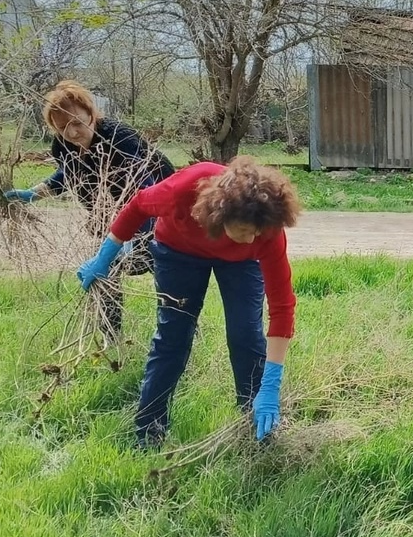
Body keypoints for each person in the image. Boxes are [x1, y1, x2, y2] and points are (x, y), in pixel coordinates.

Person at [75, 156, 302, 447]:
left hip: (240, 264)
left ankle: (255, 428)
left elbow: (282, 306)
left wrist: (271, 384)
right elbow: (138, 205)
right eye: (245, 231)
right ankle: (149, 432)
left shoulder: (264, 230)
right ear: (221, 215)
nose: (252, 238)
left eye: (257, 232)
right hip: (178, 251)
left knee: (245, 334)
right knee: (173, 337)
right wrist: (103, 258)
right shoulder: (183, 191)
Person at [5, 80, 175, 340]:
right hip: (113, 218)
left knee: (166, 275)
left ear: (91, 113)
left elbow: (147, 188)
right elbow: (69, 174)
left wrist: (132, 234)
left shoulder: (120, 138)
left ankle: (177, 334)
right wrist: (33, 194)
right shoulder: (62, 147)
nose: (72, 133)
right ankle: (111, 340)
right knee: (104, 273)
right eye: (63, 128)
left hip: (159, 215)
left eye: (76, 122)